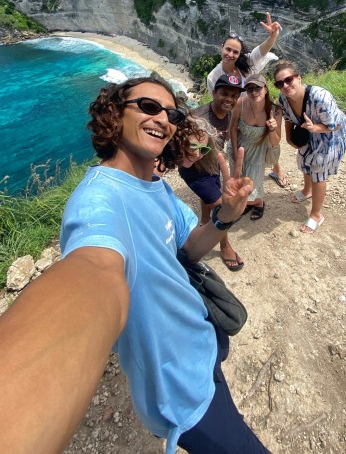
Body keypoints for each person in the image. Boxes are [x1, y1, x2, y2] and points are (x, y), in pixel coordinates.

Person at [0, 76, 272, 454]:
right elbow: (94, 269)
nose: (163, 119)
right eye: (148, 106)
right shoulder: (98, 200)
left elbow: (189, 248)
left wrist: (225, 216)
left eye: (172, 113)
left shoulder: (156, 185)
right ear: (114, 113)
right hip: (179, 389)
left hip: (201, 342)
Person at [207, 11, 287, 188]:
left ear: (239, 54)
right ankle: (239, 175)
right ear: (222, 47)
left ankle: (276, 167)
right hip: (235, 113)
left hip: (258, 106)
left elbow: (262, 50)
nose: (230, 54)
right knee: (238, 145)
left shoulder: (247, 63)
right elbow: (217, 102)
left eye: (235, 52)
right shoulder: (213, 76)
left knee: (266, 137)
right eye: (228, 49)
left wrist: (273, 35)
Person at [273, 60, 346, 233]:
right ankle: (307, 191)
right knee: (303, 160)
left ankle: (316, 215)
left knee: (318, 171)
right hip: (308, 132)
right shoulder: (283, 98)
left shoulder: (320, 97)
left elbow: (336, 125)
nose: (285, 86)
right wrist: (289, 138)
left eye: (289, 80)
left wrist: (315, 128)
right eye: (280, 83)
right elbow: (288, 118)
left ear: (299, 78)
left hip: (331, 133)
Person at [179, 73, 245, 270]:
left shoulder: (229, 113)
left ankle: (205, 221)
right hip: (196, 172)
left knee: (210, 199)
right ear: (214, 92)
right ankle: (225, 246)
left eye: (234, 96)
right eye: (224, 93)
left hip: (214, 165)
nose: (229, 99)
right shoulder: (198, 118)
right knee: (221, 206)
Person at [229, 74, 282, 221]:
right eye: (249, 89)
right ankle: (246, 203)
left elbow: (276, 142)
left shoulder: (275, 110)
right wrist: (235, 153)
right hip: (239, 145)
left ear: (265, 89)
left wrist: (272, 129)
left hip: (258, 149)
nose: (253, 92)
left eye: (257, 88)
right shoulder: (240, 103)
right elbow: (233, 128)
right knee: (239, 178)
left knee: (254, 181)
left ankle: (258, 203)